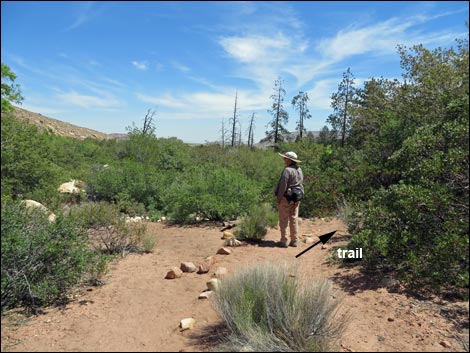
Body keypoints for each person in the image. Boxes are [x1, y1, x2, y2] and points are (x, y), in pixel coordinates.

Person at [274, 151, 304, 248]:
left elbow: (283, 185)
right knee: (294, 218)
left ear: (289, 160)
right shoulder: (299, 169)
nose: (284, 160)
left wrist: (279, 198)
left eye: (285, 158)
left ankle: (284, 241)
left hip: (286, 197)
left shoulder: (287, 170)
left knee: (283, 219)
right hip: (296, 197)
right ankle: (294, 240)